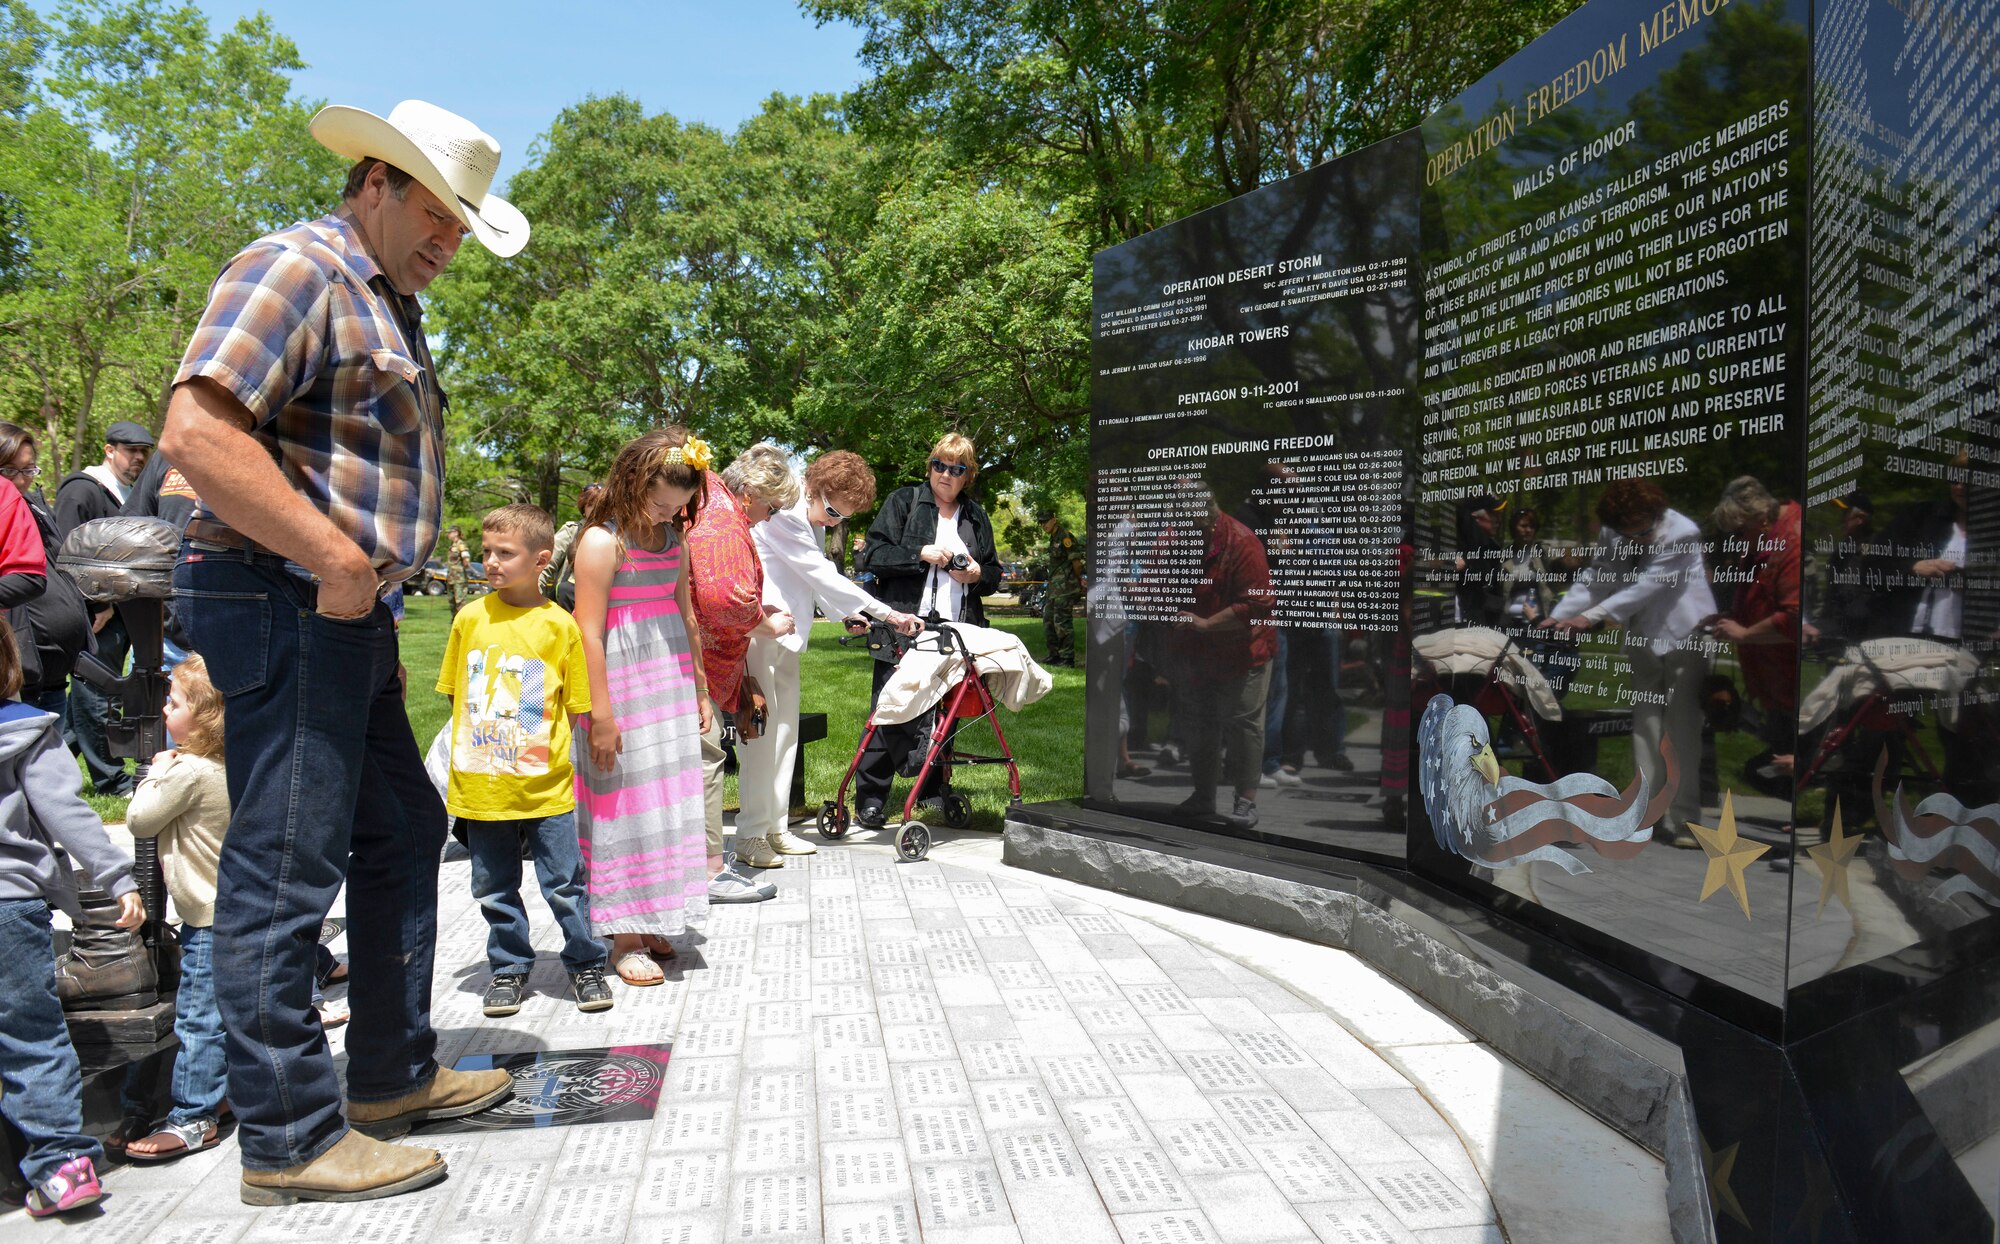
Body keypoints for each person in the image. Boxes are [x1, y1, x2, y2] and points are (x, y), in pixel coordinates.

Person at [158, 99, 526, 1204]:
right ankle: (286, 1137)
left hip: (339, 610)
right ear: (372, 181)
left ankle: (386, 1077)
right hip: (287, 594)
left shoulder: (386, 298)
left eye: (462, 227)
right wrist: (339, 564)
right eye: (434, 214)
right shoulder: (298, 269)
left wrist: (367, 599)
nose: (447, 244)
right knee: (284, 862)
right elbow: (195, 433)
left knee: (405, 823)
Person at [437, 504, 612, 1017]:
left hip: (545, 788)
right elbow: (456, 695)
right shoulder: (469, 618)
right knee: (494, 888)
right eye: (487, 551)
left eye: (504, 553)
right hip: (482, 789)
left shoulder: (559, 626)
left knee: (563, 883)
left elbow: (573, 708)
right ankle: (509, 967)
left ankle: (585, 963)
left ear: (541, 560)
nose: (491, 561)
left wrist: (537, 756)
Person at [0, 623, 143, 1216]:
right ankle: (62, 1164)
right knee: (31, 1036)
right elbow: (65, 811)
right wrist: (116, 876)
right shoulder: (26, 728)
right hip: (9, 905)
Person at [572, 427, 714, 987]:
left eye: (677, 507)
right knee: (623, 803)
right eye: (659, 502)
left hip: (668, 688)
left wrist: (700, 689)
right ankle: (622, 934)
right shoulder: (602, 543)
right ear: (633, 483)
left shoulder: (672, 545)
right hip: (620, 691)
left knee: (664, 800)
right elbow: (587, 632)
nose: (665, 514)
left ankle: (652, 913)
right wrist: (601, 715)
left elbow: (685, 617)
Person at [742, 450, 920, 849]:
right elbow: (821, 573)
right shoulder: (786, 513)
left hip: (788, 634)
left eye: (843, 516)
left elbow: (813, 579)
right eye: (832, 511)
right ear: (812, 486)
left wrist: (844, 614)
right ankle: (752, 834)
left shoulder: (811, 518)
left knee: (785, 734)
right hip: (761, 631)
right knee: (760, 734)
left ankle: (776, 827)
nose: (834, 520)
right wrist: (889, 614)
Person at [1543, 478, 1716, 844]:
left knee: (1681, 727)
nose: (1639, 539)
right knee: (1645, 726)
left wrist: (1590, 618)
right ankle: (1647, 812)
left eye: (1645, 530)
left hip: (1687, 632)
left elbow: (1648, 585)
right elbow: (1598, 577)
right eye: (1629, 533)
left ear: (1656, 513)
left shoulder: (1683, 531)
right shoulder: (1613, 532)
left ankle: (1684, 820)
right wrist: (1560, 615)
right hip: (1643, 635)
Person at [119, 654, 232, 1161]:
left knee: (198, 1018)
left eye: (175, 702)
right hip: (230, 909)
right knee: (228, 1014)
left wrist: (154, 772)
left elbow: (141, 821)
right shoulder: (229, 763)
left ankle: (192, 1118)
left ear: (205, 715)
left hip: (205, 919)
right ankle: (224, 1094)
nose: (165, 710)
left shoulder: (186, 770)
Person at [855, 434, 1000, 825]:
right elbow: (872, 554)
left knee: (944, 715)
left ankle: (934, 789)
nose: (945, 475)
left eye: (956, 469)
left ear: (967, 476)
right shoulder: (903, 502)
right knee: (891, 709)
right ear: (929, 466)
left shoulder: (975, 516)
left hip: (957, 630)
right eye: (939, 465)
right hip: (905, 625)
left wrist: (976, 573)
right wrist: (919, 553)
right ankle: (870, 798)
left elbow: (993, 573)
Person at [685, 445, 791, 889]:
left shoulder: (710, 500)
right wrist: (763, 623)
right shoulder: (725, 521)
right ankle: (709, 872)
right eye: (772, 506)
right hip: (693, 667)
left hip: (686, 654)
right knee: (707, 753)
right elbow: (723, 599)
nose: (770, 517)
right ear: (749, 493)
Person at [1163, 478, 1276, 830]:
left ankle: (1245, 801)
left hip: (1244, 649)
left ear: (1208, 513)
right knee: (1199, 722)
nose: (1181, 527)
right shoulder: (1178, 537)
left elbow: (1257, 602)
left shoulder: (1242, 542)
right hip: (1198, 650)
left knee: (1244, 725)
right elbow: (1160, 576)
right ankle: (1203, 796)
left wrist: (1207, 624)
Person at [51, 420, 154, 796]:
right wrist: (95, 605)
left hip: (120, 611)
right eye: (131, 451)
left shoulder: (124, 493)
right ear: (109, 450)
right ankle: (112, 780)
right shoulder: (83, 490)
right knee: (98, 695)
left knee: (87, 698)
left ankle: (48, 776)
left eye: (144, 451)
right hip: (95, 615)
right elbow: (66, 553)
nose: (139, 458)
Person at [1712, 477, 1801, 776]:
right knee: (1773, 756)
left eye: (1739, 531)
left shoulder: (1792, 540)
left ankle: (1796, 810)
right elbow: (1757, 598)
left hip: (1790, 674)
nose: (1736, 540)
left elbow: (1793, 615)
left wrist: (1746, 633)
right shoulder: (1761, 541)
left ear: (1760, 518)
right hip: (1770, 678)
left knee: (1774, 767)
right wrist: (1731, 617)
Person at [542, 482, 603, 607]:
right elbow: (546, 564)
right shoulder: (572, 530)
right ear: (584, 510)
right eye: (591, 505)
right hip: (568, 599)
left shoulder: (620, 534)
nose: (597, 509)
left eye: (602, 505)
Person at [1039, 507, 1085, 666]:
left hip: (1066, 588)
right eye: (1041, 522)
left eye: (1045, 521)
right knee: (1048, 621)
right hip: (1054, 589)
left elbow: (1076, 562)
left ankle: (1067, 658)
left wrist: (1080, 580)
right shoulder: (1054, 538)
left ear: (1054, 519)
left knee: (1062, 622)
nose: (1043, 525)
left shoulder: (1065, 537)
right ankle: (1054, 654)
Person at [445, 525, 472, 616]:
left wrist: (463, 568)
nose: (448, 534)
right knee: (451, 601)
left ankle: (462, 621)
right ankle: (454, 621)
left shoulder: (461, 544)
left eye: (450, 532)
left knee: (460, 601)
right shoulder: (452, 545)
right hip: (451, 578)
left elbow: (466, 559)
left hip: (459, 579)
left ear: (456, 533)